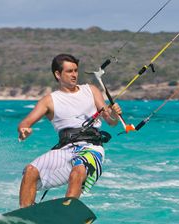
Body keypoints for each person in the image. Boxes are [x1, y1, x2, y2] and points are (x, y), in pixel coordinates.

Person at [17, 53, 122, 208]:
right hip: (65, 149)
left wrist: (113, 114)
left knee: (78, 169)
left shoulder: (91, 90)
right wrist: (24, 130)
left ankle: (68, 210)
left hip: (91, 147)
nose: (74, 75)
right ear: (58, 74)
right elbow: (25, 123)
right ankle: (25, 214)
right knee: (30, 171)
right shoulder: (49, 100)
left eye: (75, 70)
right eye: (69, 71)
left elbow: (111, 121)